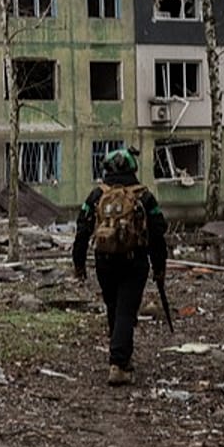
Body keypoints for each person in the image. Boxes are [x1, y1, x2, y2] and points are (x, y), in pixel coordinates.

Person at [72, 147, 168, 386]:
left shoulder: (96, 196)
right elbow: (158, 232)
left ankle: (120, 355)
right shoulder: (144, 197)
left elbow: (82, 229)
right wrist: (159, 266)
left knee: (114, 307)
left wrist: (79, 263)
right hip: (134, 262)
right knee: (126, 309)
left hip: (104, 261)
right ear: (132, 167)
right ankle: (119, 363)